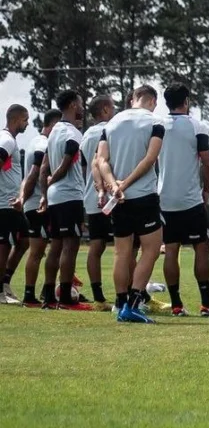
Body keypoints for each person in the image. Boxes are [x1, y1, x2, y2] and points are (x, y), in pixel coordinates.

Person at [98, 85, 167, 323]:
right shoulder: (155, 121)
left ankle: (119, 304)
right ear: (152, 101)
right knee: (151, 249)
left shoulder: (112, 123)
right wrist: (125, 185)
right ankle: (134, 304)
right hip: (143, 196)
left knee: (121, 253)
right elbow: (150, 159)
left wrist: (113, 185)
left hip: (118, 199)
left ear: (133, 99)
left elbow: (101, 160)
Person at [157, 84, 209, 318]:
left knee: (172, 248)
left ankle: (176, 304)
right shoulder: (197, 126)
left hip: (165, 198)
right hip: (189, 199)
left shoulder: (157, 125)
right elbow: (207, 163)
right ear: (186, 101)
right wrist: (205, 190)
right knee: (202, 248)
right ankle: (207, 302)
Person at [37, 90, 91, 310]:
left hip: (55, 196)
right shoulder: (72, 133)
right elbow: (66, 163)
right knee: (70, 247)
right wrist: (53, 181)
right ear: (71, 105)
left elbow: (43, 168)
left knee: (56, 246)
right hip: (69, 195)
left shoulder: (53, 132)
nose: (82, 108)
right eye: (79, 103)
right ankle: (67, 300)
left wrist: (44, 193)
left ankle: (49, 297)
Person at [14, 109, 60, 306]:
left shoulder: (34, 141)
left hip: (33, 203)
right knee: (38, 251)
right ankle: (30, 294)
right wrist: (31, 198)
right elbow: (34, 174)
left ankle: (37, 292)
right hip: (38, 205)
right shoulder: (43, 144)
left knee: (40, 250)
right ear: (52, 124)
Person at [80, 96, 116, 311]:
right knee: (126, 245)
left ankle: (99, 296)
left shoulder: (85, 135)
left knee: (97, 245)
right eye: (112, 106)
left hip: (91, 197)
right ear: (105, 109)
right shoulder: (111, 130)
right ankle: (130, 293)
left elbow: (87, 166)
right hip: (112, 195)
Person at [0, 105, 30, 305]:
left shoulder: (11, 141)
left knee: (24, 240)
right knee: (3, 245)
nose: (27, 123)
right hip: (4, 203)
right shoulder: (7, 140)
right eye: (25, 119)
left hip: (13, 204)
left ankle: (5, 283)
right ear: (16, 119)